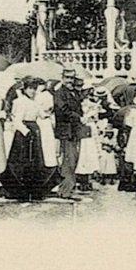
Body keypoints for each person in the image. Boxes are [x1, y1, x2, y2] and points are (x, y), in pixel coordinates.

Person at [0, 77, 57, 201]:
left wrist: (47, 112)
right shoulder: (20, 102)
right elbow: (17, 121)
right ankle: (19, 191)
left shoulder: (34, 101)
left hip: (34, 129)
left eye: (34, 88)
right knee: (21, 161)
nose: (33, 91)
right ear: (24, 89)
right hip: (24, 132)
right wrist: (26, 131)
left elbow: (41, 114)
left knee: (35, 161)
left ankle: (33, 191)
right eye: (30, 88)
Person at [52, 69, 85, 200]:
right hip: (66, 131)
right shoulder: (59, 93)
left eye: (72, 78)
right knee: (68, 160)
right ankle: (66, 190)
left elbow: (78, 108)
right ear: (62, 78)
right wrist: (78, 117)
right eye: (67, 78)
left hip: (74, 130)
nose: (70, 81)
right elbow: (63, 110)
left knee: (73, 159)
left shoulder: (73, 93)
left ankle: (67, 188)